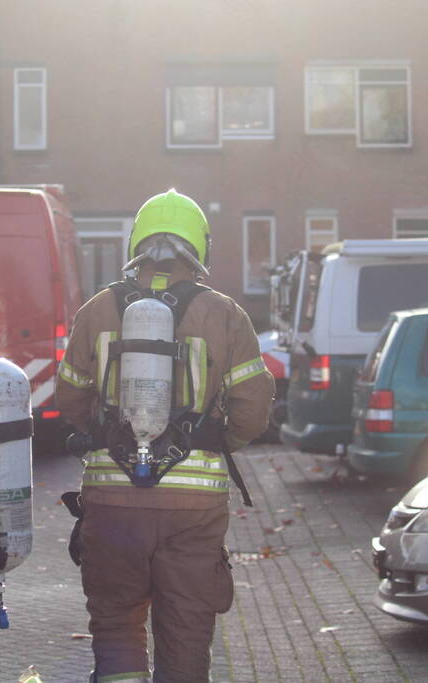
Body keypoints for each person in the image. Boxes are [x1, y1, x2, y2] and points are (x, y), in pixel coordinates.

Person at [55, 189, 274, 682]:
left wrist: (101, 430)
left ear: (137, 242)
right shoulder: (224, 314)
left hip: (111, 503)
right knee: (186, 633)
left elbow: (68, 400)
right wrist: (213, 441)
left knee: (115, 626)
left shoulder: (97, 309)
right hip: (193, 511)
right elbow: (254, 410)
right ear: (201, 247)